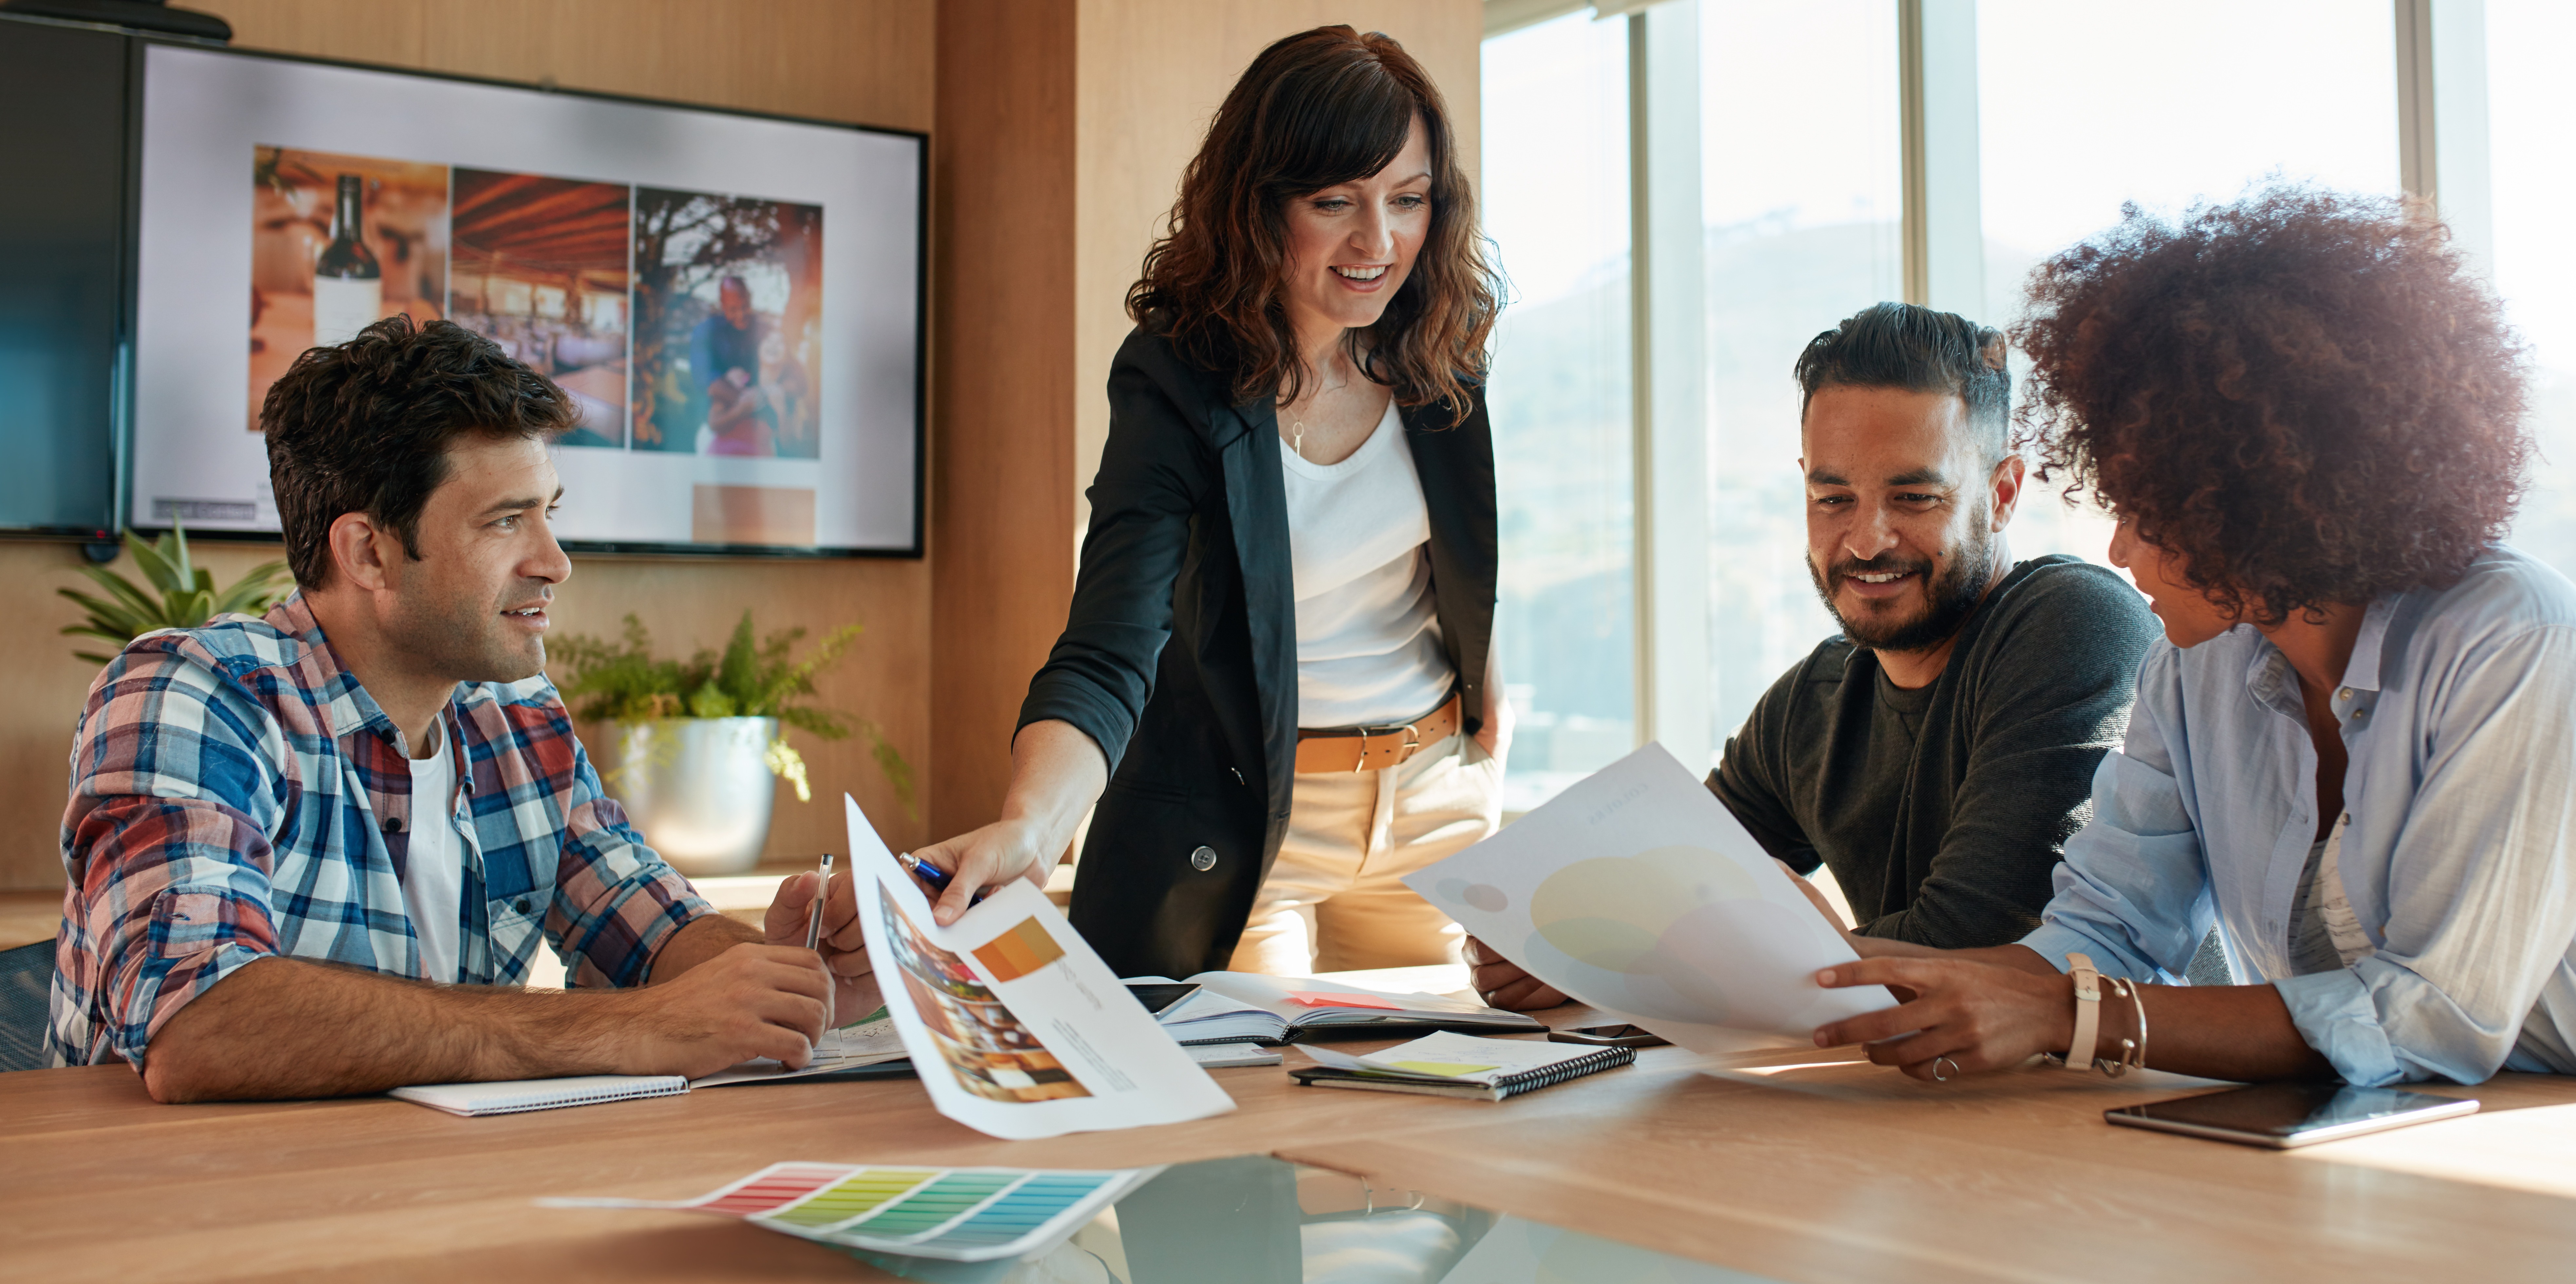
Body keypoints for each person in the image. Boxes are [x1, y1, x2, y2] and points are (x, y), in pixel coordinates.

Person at [1805, 188, 2576, 1095]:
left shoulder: (2519, 645)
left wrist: (2084, 1018)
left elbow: (2436, 1014)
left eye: (2148, 508)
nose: (2118, 548)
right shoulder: (2192, 670)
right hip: (2414, 1137)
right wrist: (1850, 977)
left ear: (2260, 502)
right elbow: (2106, 927)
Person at [47, 316, 891, 1101]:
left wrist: (798, 980)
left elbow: (653, 930)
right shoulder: (195, 696)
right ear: (370, 553)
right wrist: (631, 1029)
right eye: (505, 522)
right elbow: (198, 1024)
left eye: (547, 515)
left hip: (437, 1201)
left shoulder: (517, 717)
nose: (556, 562)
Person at [906, 27, 1505, 980]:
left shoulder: (1442, 337)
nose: (1379, 242)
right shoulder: (1178, 377)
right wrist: (1035, 822)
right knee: (1244, 1098)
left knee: (1456, 1102)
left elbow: (1456, 541)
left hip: (1436, 805)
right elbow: (1111, 641)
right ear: (1260, 204)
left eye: (1409, 199)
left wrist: (1488, 684)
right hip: (1250, 819)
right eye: (1334, 201)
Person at [1467, 304, 2160, 1010]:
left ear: (2003, 493)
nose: (1864, 541)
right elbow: (1655, 892)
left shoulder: (2075, 624)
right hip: (1930, 1104)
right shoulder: (1813, 701)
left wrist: (1711, 945)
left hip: (2122, 1099)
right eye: (1832, 497)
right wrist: (1551, 950)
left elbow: (1969, 954)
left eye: (1914, 497)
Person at [693, 275, 775, 456]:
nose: (741, 315)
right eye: (733, 309)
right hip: (716, 430)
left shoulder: (764, 330)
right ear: (722, 305)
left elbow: (790, 374)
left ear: (750, 299)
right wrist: (752, 403)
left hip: (759, 430)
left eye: (745, 306)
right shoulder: (705, 333)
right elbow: (706, 381)